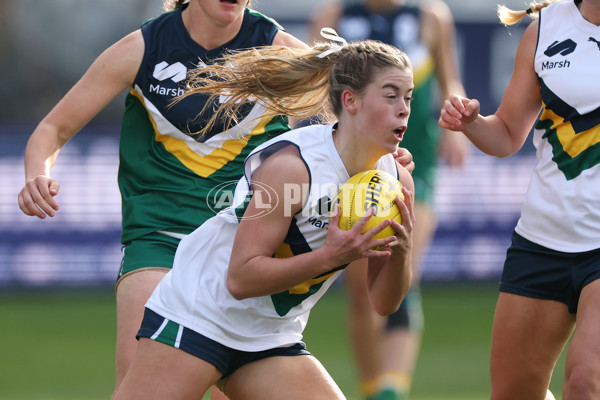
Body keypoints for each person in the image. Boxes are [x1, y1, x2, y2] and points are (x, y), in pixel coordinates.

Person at [16, 1, 308, 398]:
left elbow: (352, 117)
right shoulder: (143, 47)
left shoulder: (283, 51)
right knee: (143, 385)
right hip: (159, 237)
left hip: (240, 247)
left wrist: (386, 157)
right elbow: (52, 128)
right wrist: (38, 174)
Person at [113, 37, 416, 400]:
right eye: (390, 95)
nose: (404, 109)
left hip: (270, 336)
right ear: (350, 100)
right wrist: (330, 257)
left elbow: (384, 304)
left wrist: (402, 250)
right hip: (200, 316)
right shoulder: (293, 169)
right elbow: (240, 277)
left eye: (408, 97)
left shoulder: (394, 182)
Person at [439, 0, 600, 399]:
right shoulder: (544, 28)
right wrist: (472, 123)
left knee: (585, 382)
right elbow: (508, 133)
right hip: (541, 242)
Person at [309, 1, 468, 398]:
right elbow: (313, 90)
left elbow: (451, 79)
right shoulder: (333, 17)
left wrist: (456, 125)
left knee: (400, 264)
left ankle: (391, 390)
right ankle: (372, 387)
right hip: (353, 170)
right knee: (364, 291)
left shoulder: (431, 16)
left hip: (414, 167)